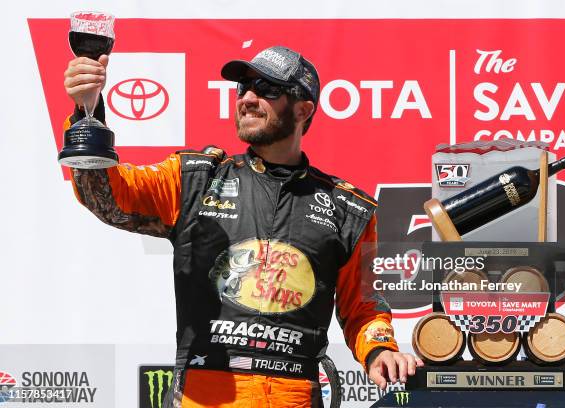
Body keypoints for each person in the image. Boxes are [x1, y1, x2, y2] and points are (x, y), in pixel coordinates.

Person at [63, 45, 423, 407]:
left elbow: (364, 307)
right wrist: (85, 111)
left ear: (304, 109)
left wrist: (380, 350)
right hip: (206, 395)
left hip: (294, 396)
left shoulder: (348, 209)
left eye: (266, 89)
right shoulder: (195, 179)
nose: (248, 98)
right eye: (243, 89)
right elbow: (106, 196)